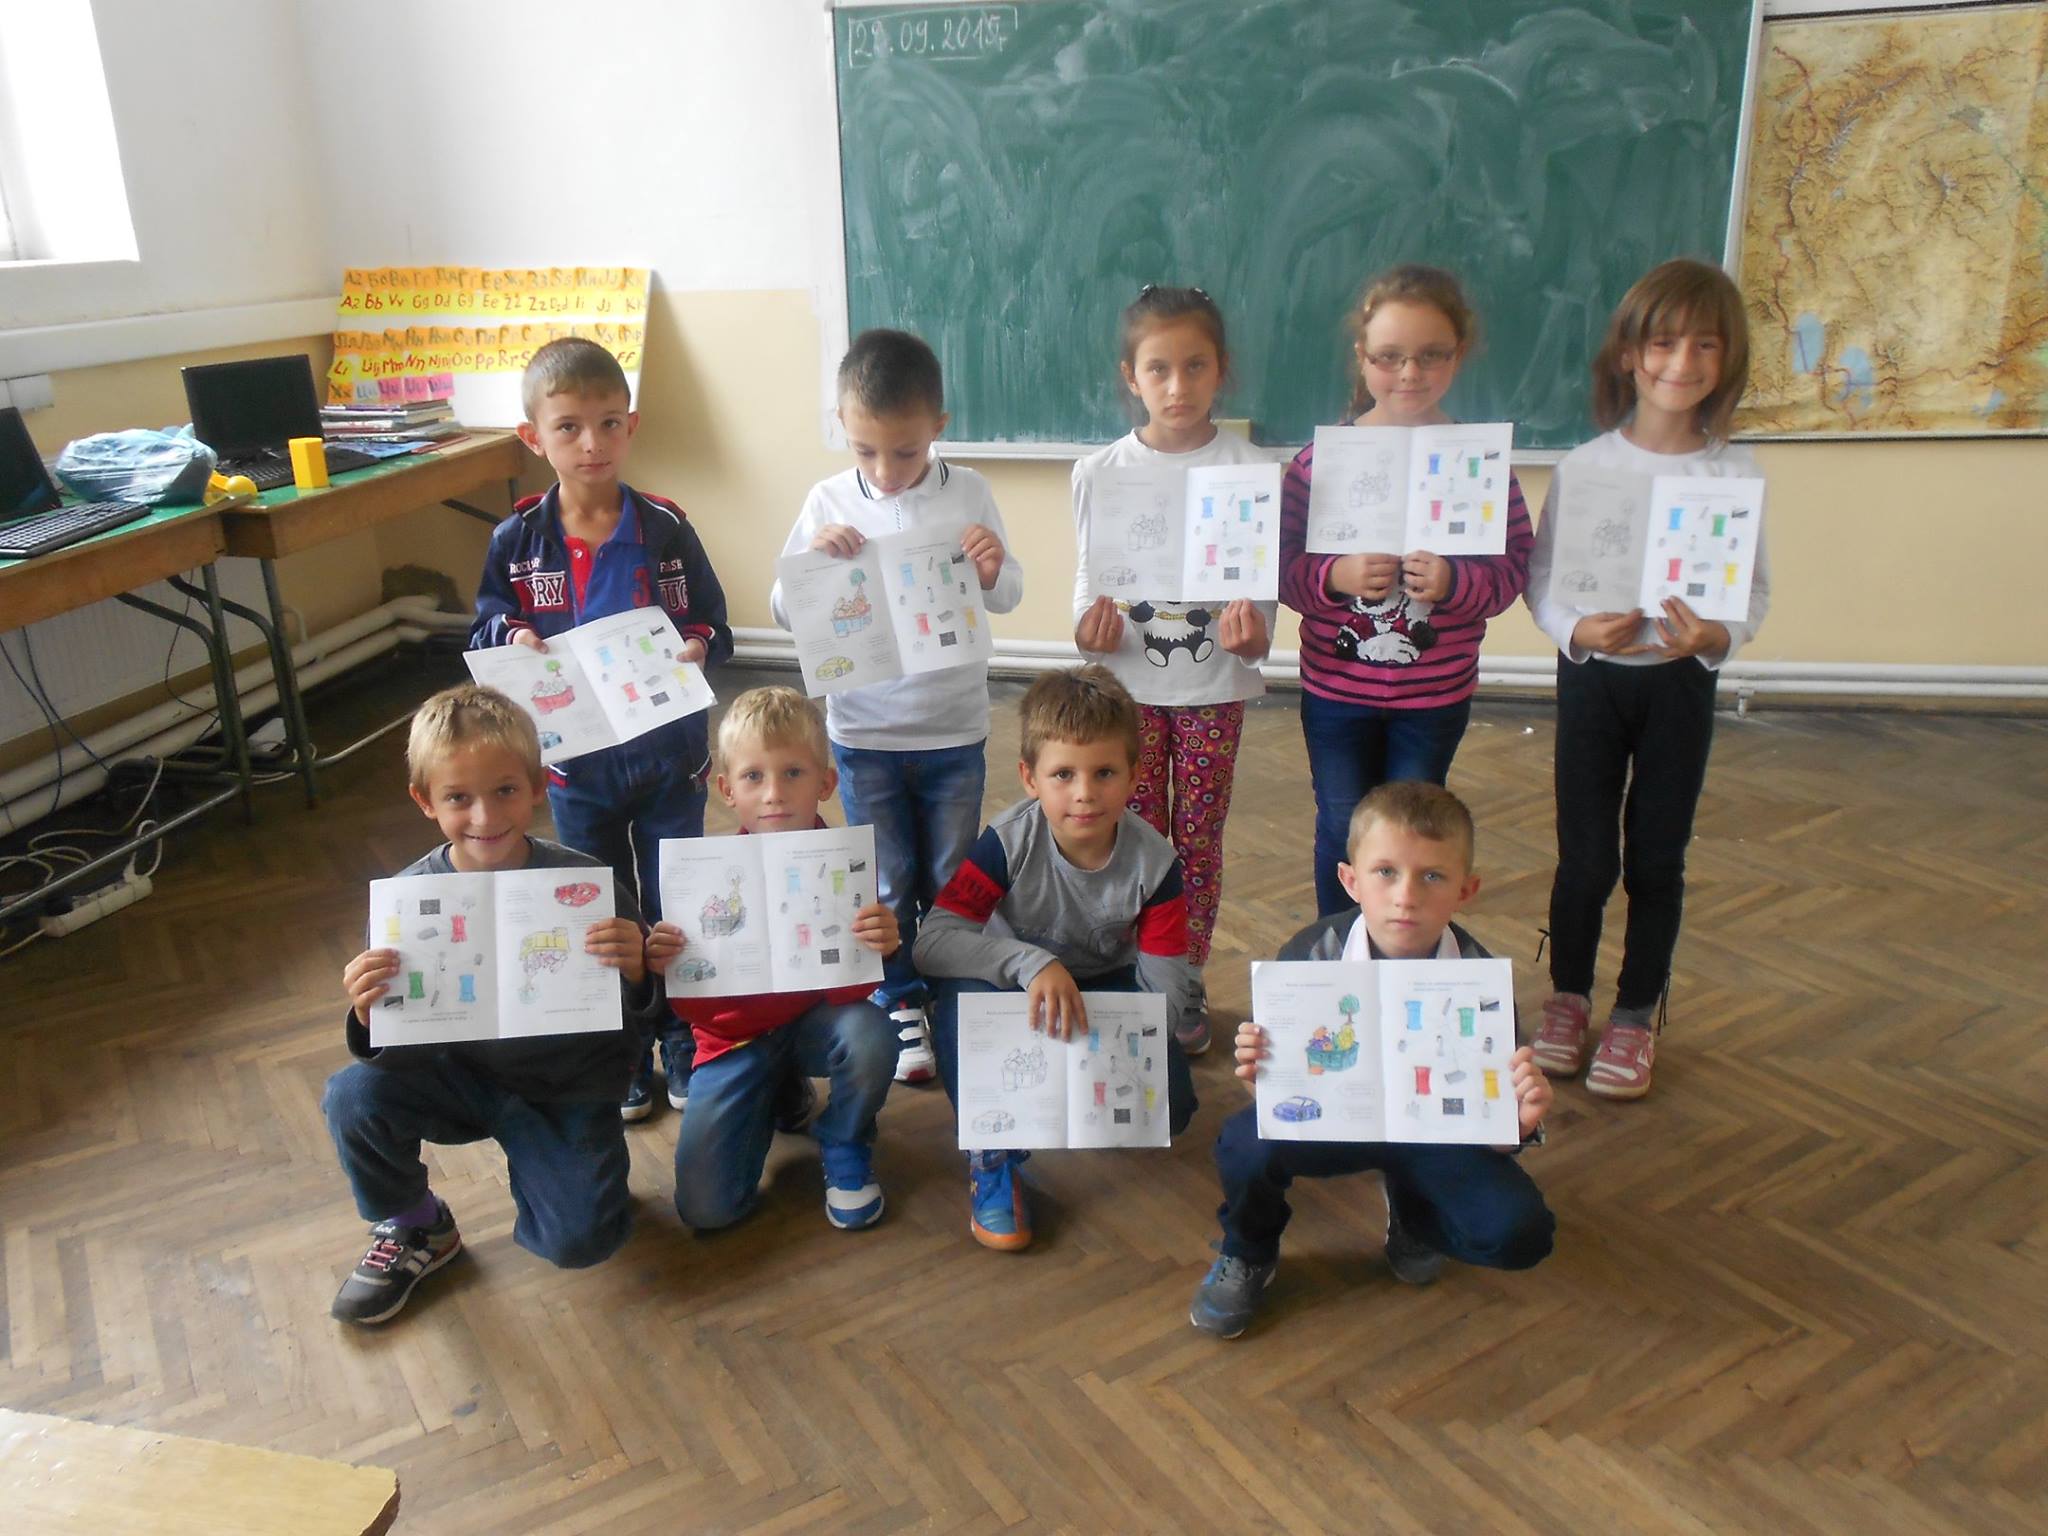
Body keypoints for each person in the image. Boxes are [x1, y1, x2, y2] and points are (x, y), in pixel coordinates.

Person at [323, 684, 660, 1325]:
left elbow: (644, 1021)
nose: (485, 815)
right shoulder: (405, 902)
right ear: (425, 801)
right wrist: (369, 1017)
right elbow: (394, 1053)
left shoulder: (588, 887)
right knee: (352, 1096)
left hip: (565, 1088)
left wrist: (641, 975)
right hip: (457, 1077)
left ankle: (577, 1176)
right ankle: (418, 1225)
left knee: (582, 1241)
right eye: (458, 798)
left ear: (537, 786)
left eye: (505, 790)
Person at [1524, 258, 1771, 1100]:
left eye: (1706, 345)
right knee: (1585, 858)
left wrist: (1717, 637)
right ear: (1629, 355)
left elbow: (1753, 592)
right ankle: (1568, 998)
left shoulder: (1733, 476)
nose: (1682, 363)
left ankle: (1634, 1014)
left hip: (1677, 684)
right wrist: (1575, 630)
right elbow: (1544, 580)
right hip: (1594, 681)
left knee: (1658, 858)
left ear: (1727, 361)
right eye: (1663, 343)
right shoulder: (1587, 466)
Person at [470, 336, 732, 1120]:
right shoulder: (517, 539)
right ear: (533, 437)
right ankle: (623, 1050)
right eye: (569, 427)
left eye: (610, 423)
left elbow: (713, 621)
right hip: (574, 766)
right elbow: (486, 625)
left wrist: (697, 646)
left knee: (673, 900)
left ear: (631, 425)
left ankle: (682, 1038)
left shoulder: (666, 527)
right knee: (599, 907)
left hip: (670, 758)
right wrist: (513, 636)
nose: (593, 443)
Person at [1189, 782, 1554, 1338]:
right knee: (1245, 1144)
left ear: (1466, 889)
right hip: (1338, 1121)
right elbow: (1279, 1098)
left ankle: (1417, 1218)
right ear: (1350, 880)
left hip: (1434, 1133)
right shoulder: (1310, 956)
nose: (1406, 896)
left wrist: (1518, 1125)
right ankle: (1249, 1249)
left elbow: (1493, 1125)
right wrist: (1260, 1079)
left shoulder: (1481, 982)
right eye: (1386, 872)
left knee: (1521, 1233)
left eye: (1432, 876)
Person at [769, 328, 1023, 1085]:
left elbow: (1009, 592)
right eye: (865, 450)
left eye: (905, 451)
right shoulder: (827, 500)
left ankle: (952, 994)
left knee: (948, 876)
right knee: (885, 881)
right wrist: (814, 563)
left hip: (952, 729)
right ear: (843, 428)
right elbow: (784, 608)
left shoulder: (969, 491)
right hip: (865, 732)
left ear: (938, 426)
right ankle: (900, 998)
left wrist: (991, 568)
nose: (884, 470)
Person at [914, 665, 1199, 1251]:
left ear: (1134, 776)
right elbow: (932, 943)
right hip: (1016, 989)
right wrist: (1030, 964)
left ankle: (1069, 1089)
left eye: (1104, 773)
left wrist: (1119, 1039)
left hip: (1106, 992)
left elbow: (1169, 989)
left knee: (1173, 1110)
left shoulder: (1156, 864)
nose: (1084, 793)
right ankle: (992, 1157)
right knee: (960, 999)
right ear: (1030, 778)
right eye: (1063, 774)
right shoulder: (1006, 843)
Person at [1278, 264, 1533, 916]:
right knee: (1342, 825)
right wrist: (1335, 577)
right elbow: (1279, 567)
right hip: (1336, 691)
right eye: (1389, 357)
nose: (1410, 373)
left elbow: (1512, 571)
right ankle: (1341, 946)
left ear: (1458, 355)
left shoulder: (1479, 465)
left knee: (1414, 836)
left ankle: (1405, 946)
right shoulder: (1318, 463)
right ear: (1362, 358)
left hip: (1434, 696)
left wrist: (1454, 582)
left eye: (1431, 355)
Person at [1072, 285, 1275, 1057]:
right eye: (1159, 369)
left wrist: (1254, 635)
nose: (1178, 386)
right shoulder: (1101, 472)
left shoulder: (1250, 469)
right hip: (1128, 692)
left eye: (1196, 367)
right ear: (1132, 376)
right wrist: (1087, 628)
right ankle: (1135, 968)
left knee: (1197, 839)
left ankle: (1183, 976)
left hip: (1212, 691)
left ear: (1221, 370)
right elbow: (1089, 583)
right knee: (1130, 836)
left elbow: (1260, 607)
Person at [645, 688, 900, 1231]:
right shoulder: (706, 879)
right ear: (726, 790)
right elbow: (697, 1015)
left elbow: (853, 993)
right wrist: (673, 965)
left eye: (793, 773)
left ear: (825, 783)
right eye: (753, 777)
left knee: (872, 1034)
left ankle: (846, 1138)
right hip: (734, 1040)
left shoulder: (845, 865)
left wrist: (880, 946)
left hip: (816, 1025)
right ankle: (775, 1090)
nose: (774, 794)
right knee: (708, 1210)